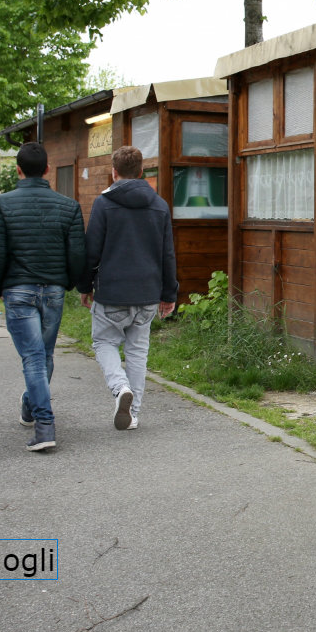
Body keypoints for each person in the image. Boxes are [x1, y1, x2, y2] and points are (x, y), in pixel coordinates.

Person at [0, 142, 85, 452]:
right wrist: (72, 283)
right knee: (44, 355)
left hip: (18, 290)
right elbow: (77, 252)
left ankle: (44, 425)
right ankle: (31, 407)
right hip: (53, 290)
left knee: (33, 358)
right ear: (47, 170)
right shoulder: (69, 206)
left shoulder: (1, 204)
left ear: (17, 170)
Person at [78, 146, 177, 430]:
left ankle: (120, 387)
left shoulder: (103, 204)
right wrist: (169, 294)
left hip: (112, 293)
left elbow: (92, 251)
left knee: (104, 342)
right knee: (137, 352)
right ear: (141, 172)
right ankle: (132, 414)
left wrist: (85, 286)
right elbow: (167, 253)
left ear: (114, 172)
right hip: (147, 293)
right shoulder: (159, 205)